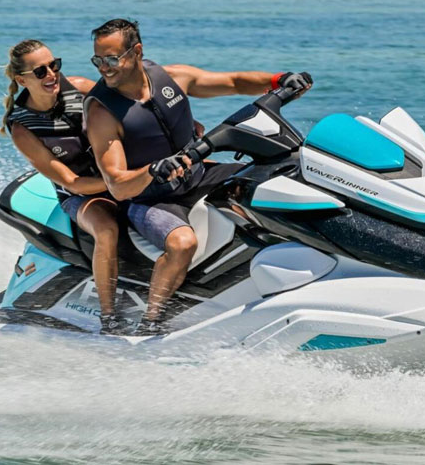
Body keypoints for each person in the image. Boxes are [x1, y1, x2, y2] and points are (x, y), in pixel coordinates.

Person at [84, 19, 312, 333]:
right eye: (98, 60)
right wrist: (152, 170)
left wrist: (278, 80)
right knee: (181, 243)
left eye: (112, 59)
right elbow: (117, 184)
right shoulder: (102, 112)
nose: (104, 68)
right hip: (153, 198)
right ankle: (151, 321)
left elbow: (233, 82)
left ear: (136, 52)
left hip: (200, 174)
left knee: (280, 178)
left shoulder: (171, 78)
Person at [0, 39, 125, 334]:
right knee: (107, 230)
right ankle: (109, 318)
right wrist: (117, 184)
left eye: (54, 65)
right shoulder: (22, 127)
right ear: (22, 80)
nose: (51, 74)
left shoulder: (81, 88)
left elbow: (135, 114)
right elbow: (70, 181)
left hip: (121, 176)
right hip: (80, 194)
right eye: (40, 71)